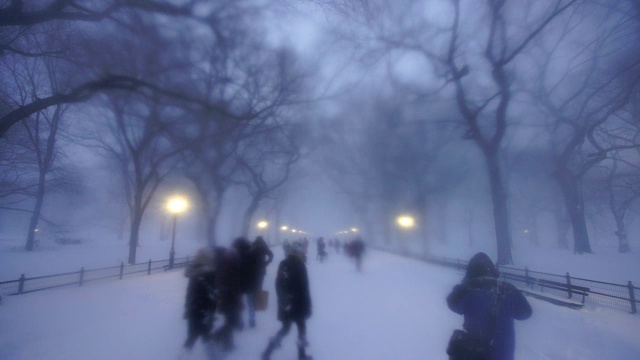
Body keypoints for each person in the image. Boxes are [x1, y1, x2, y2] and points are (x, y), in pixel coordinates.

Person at [446, 252, 532, 360]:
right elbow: (526, 313)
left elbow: (453, 304)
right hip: (503, 355)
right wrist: (513, 292)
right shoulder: (507, 290)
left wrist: (464, 285)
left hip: (475, 354)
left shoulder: (469, 290)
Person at [261, 240, 313, 360]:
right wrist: (308, 306)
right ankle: (302, 355)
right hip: (299, 304)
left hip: (286, 304)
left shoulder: (283, 263)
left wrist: (283, 300)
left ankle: (268, 350)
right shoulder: (300, 265)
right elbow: (304, 288)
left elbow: (278, 284)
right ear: (299, 253)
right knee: (301, 329)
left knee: (285, 328)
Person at [182, 248, 217, 350]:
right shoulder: (210, 273)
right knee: (204, 336)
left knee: (193, 336)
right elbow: (213, 294)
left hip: (194, 308)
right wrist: (212, 310)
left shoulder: (193, 272)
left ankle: (183, 355)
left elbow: (189, 293)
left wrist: (187, 309)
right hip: (205, 309)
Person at [210, 245, 243, 351]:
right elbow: (223, 283)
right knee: (231, 323)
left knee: (230, 322)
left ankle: (226, 342)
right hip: (229, 299)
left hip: (231, 299)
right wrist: (227, 293)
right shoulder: (228, 266)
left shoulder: (231, 265)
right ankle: (218, 338)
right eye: (234, 255)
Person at [246, 236, 274, 327]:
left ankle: (252, 316)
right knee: (257, 291)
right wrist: (266, 263)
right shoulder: (263, 248)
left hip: (251, 274)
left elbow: (246, 259)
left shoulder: (251, 248)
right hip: (261, 273)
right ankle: (257, 303)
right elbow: (271, 255)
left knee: (250, 293)